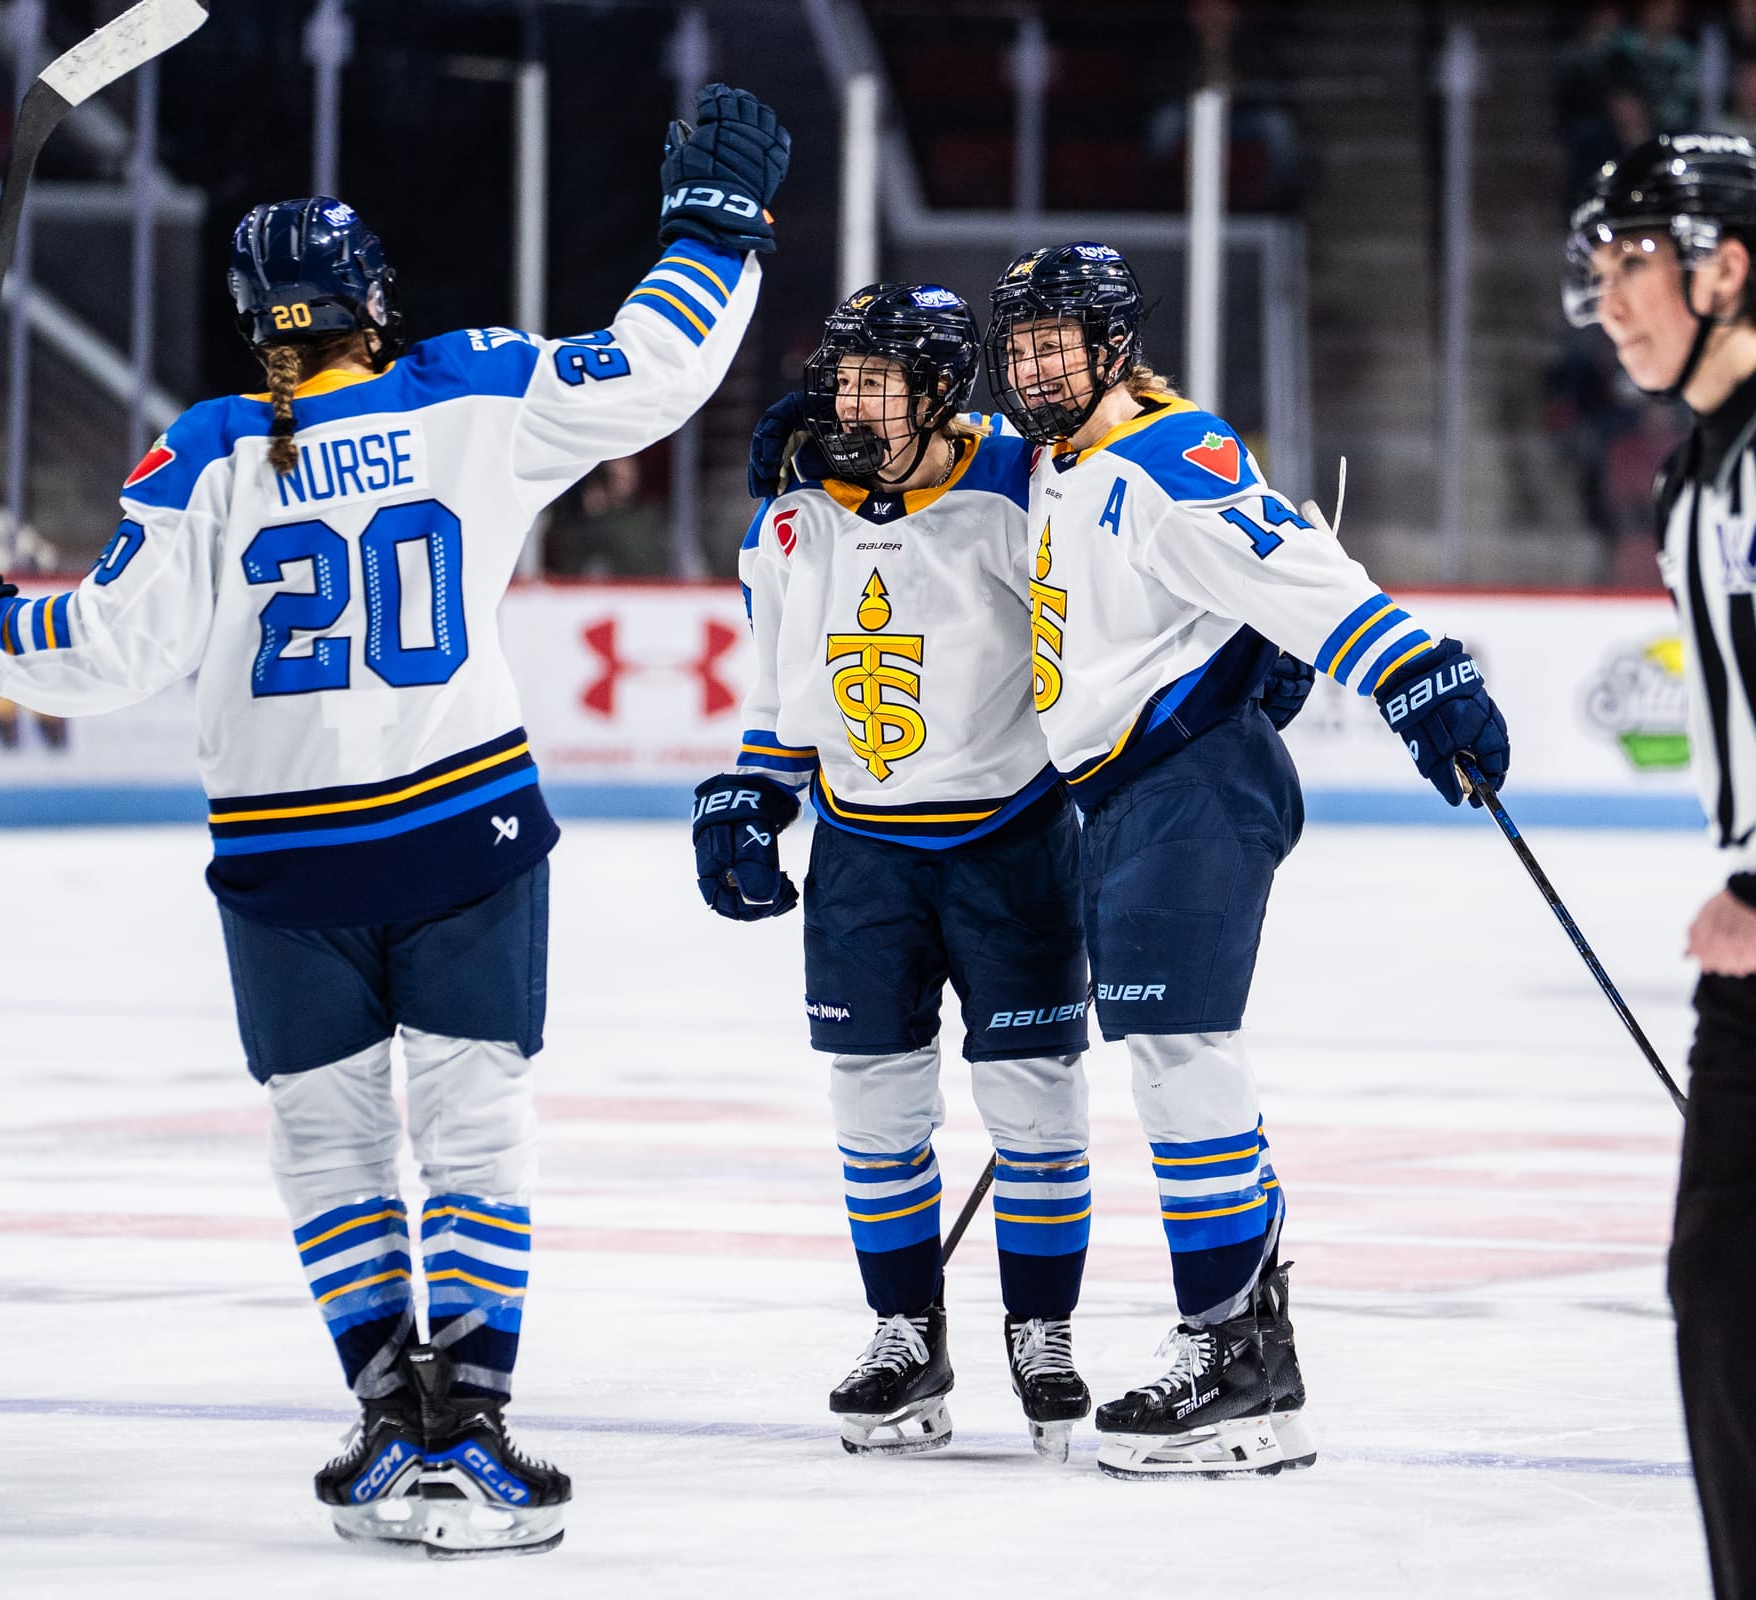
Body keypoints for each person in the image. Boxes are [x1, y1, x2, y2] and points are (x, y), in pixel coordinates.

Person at [0, 83, 789, 1556]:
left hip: (286, 857)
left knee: (328, 1138)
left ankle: (381, 1416)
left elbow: (106, 649)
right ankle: (469, 1423)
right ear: (372, 299)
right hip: (464, 832)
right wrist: (714, 231)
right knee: (477, 1124)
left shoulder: (213, 445)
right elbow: (659, 366)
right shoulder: (468, 388)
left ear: (253, 320)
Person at [984, 240, 1510, 1478]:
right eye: (1020, 346)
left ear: (1115, 345)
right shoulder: (1062, 461)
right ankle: (1247, 1346)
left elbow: (1299, 567)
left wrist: (1417, 673)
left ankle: (1233, 1355)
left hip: (1192, 790)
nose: (1034, 365)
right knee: (1173, 1063)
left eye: (1058, 341)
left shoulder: (1163, 453)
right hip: (1125, 802)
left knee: (1180, 1057)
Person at [698, 283, 1095, 1461]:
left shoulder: (1027, 487)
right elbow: (780, 677)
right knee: (873, 1108)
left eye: (878, 378)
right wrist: (749, 792)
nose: (846, 400)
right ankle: (902, 1334)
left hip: (1010, 843)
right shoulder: (795, 510)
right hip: (861, 849)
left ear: (938, 387)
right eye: (840, 376)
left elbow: (1115, 604)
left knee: (1034, 1106)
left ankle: (1043, 1333)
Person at [1565, 130, 1756, 1600]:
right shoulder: (1702, 471)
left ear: (1726, 266)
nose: (1610, 297)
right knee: (1726, 1296)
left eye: (1634, 262)